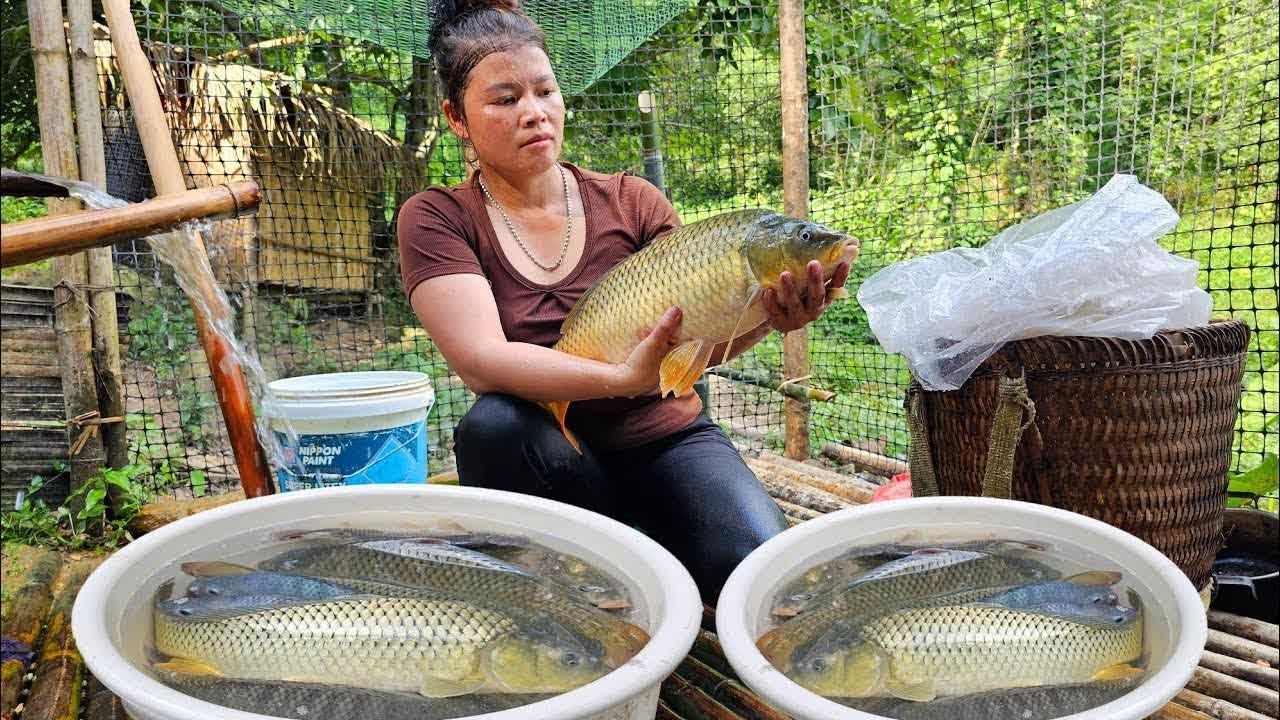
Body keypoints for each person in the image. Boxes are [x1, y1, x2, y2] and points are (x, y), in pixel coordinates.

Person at [397, 0, 850, 603]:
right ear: (457, 117)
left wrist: (768, 318)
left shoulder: (634, 202)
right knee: (493, 426)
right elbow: (480, 359)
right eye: (505, 100)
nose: (534, 113)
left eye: (544, 91)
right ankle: (562, 578)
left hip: (664, 438)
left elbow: (699, 346)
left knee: (758, 582)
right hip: (550, 452)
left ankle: (653, 545)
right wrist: (619, 376)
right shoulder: (437, 217)